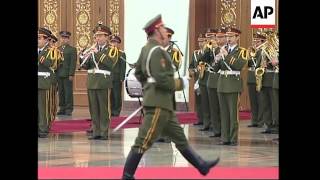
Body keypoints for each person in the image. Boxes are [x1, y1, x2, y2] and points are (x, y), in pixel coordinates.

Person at [121, 14, 219, 180]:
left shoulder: (146, 49)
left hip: (163, 104)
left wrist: (149, 86)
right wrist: (181, 83)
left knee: (180, 139)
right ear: (157, 31)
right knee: (143, 140)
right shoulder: (157, 51)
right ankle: (127, 175)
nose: (166, 32)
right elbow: (162, 80)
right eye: (164, 29)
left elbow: (139, 72)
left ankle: (201, 166)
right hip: (159, 104)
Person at [79, 22, 117, 140]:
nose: (97, 38)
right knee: (93, 109)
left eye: (100, 36)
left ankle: (104, 132)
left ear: (107, 37)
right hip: (92, 81)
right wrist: (82, 57)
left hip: (103, 82)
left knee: (104, 109)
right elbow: (85, 66)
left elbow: (111, 64)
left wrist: (97, 53)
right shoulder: (92, 49)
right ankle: (96, 132)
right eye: (96, 36)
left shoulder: (111, 50)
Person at [213, 27, 248, 146]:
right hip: (222, 83)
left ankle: (233, 139)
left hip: (233, 84)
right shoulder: (223, 49)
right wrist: (217, 60)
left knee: (233, 113)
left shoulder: (242, 51)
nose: (228, 39)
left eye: (231, 36)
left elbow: (239, 65)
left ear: (237, 37)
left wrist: (226, 56)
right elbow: (215, 69)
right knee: (223, 113)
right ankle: (225, 138)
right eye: (227, 36)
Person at [38, 27, 63, 138]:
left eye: (39, 38)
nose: (37, 40)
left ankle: (43, 128)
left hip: (44, 81)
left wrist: (40, 58)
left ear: (46, 40)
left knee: (43, 106)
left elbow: (53, 64)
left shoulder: (52, 51)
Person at [207, 27, 226, 138]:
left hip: (222, 80)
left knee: (222, 108)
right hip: (212, 81)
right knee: (213, 107)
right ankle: (216, 130)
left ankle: (224, 130)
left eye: (220, 37)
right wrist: (209, 49)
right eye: (217, 37)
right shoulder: (212, 49)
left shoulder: (227, 49)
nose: (218, 39)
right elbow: (203, 59)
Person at [197, 28, 216, 131]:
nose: (210, 39)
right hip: (205, 77)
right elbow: (202, 59)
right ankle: (206, 123)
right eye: (208, 37)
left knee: (213, 103)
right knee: (205, 102)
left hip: (214, 77)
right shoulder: (207, 49)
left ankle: (214, 124)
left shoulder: (219, 49)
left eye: (211, 37)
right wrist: (207, 49)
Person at [247, 32, 266, 127]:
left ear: (262, 41)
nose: (255, 43)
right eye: (254, 41)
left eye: (257, 41)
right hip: (251, 77)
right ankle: (254, 121)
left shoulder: (263, 50)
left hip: (260, 77)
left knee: (260, 100)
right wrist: (248, 56)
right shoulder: (253, 51)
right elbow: (247, 64)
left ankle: (261, 121)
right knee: (253, 101)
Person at [56, 31, 77, 116]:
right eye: (62, 38)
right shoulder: (57, 49)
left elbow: (73, 62)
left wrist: (71, 74)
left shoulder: (72, 49)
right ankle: (62, 108)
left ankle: (69, 109)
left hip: (67, 74)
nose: (64, 39)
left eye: (65, 38)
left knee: (68, 92)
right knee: (61, 92)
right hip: (59, 73)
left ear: (68, 39)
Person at [189, 32, 206, 126]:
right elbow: (191, 66)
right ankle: (200, 119)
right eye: (199, 41)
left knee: (206, 101)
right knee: (198, 100)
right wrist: (191, 71)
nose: (200, 43)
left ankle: (208, 121)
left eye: (202, 41)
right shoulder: (195, 53)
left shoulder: (208, 52)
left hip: (205, 79)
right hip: (197, 79)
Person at [109, 34, 126, 117]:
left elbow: (123, 66)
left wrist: (122, 77)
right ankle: (111, 110)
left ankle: (117, 110)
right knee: (111, 95)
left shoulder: (121, 53)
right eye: (112, 42)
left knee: (117, 95)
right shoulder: (108, 52)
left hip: (117, 77)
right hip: (109, 76)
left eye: (115, 42)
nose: (113, 44)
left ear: (118, 43)